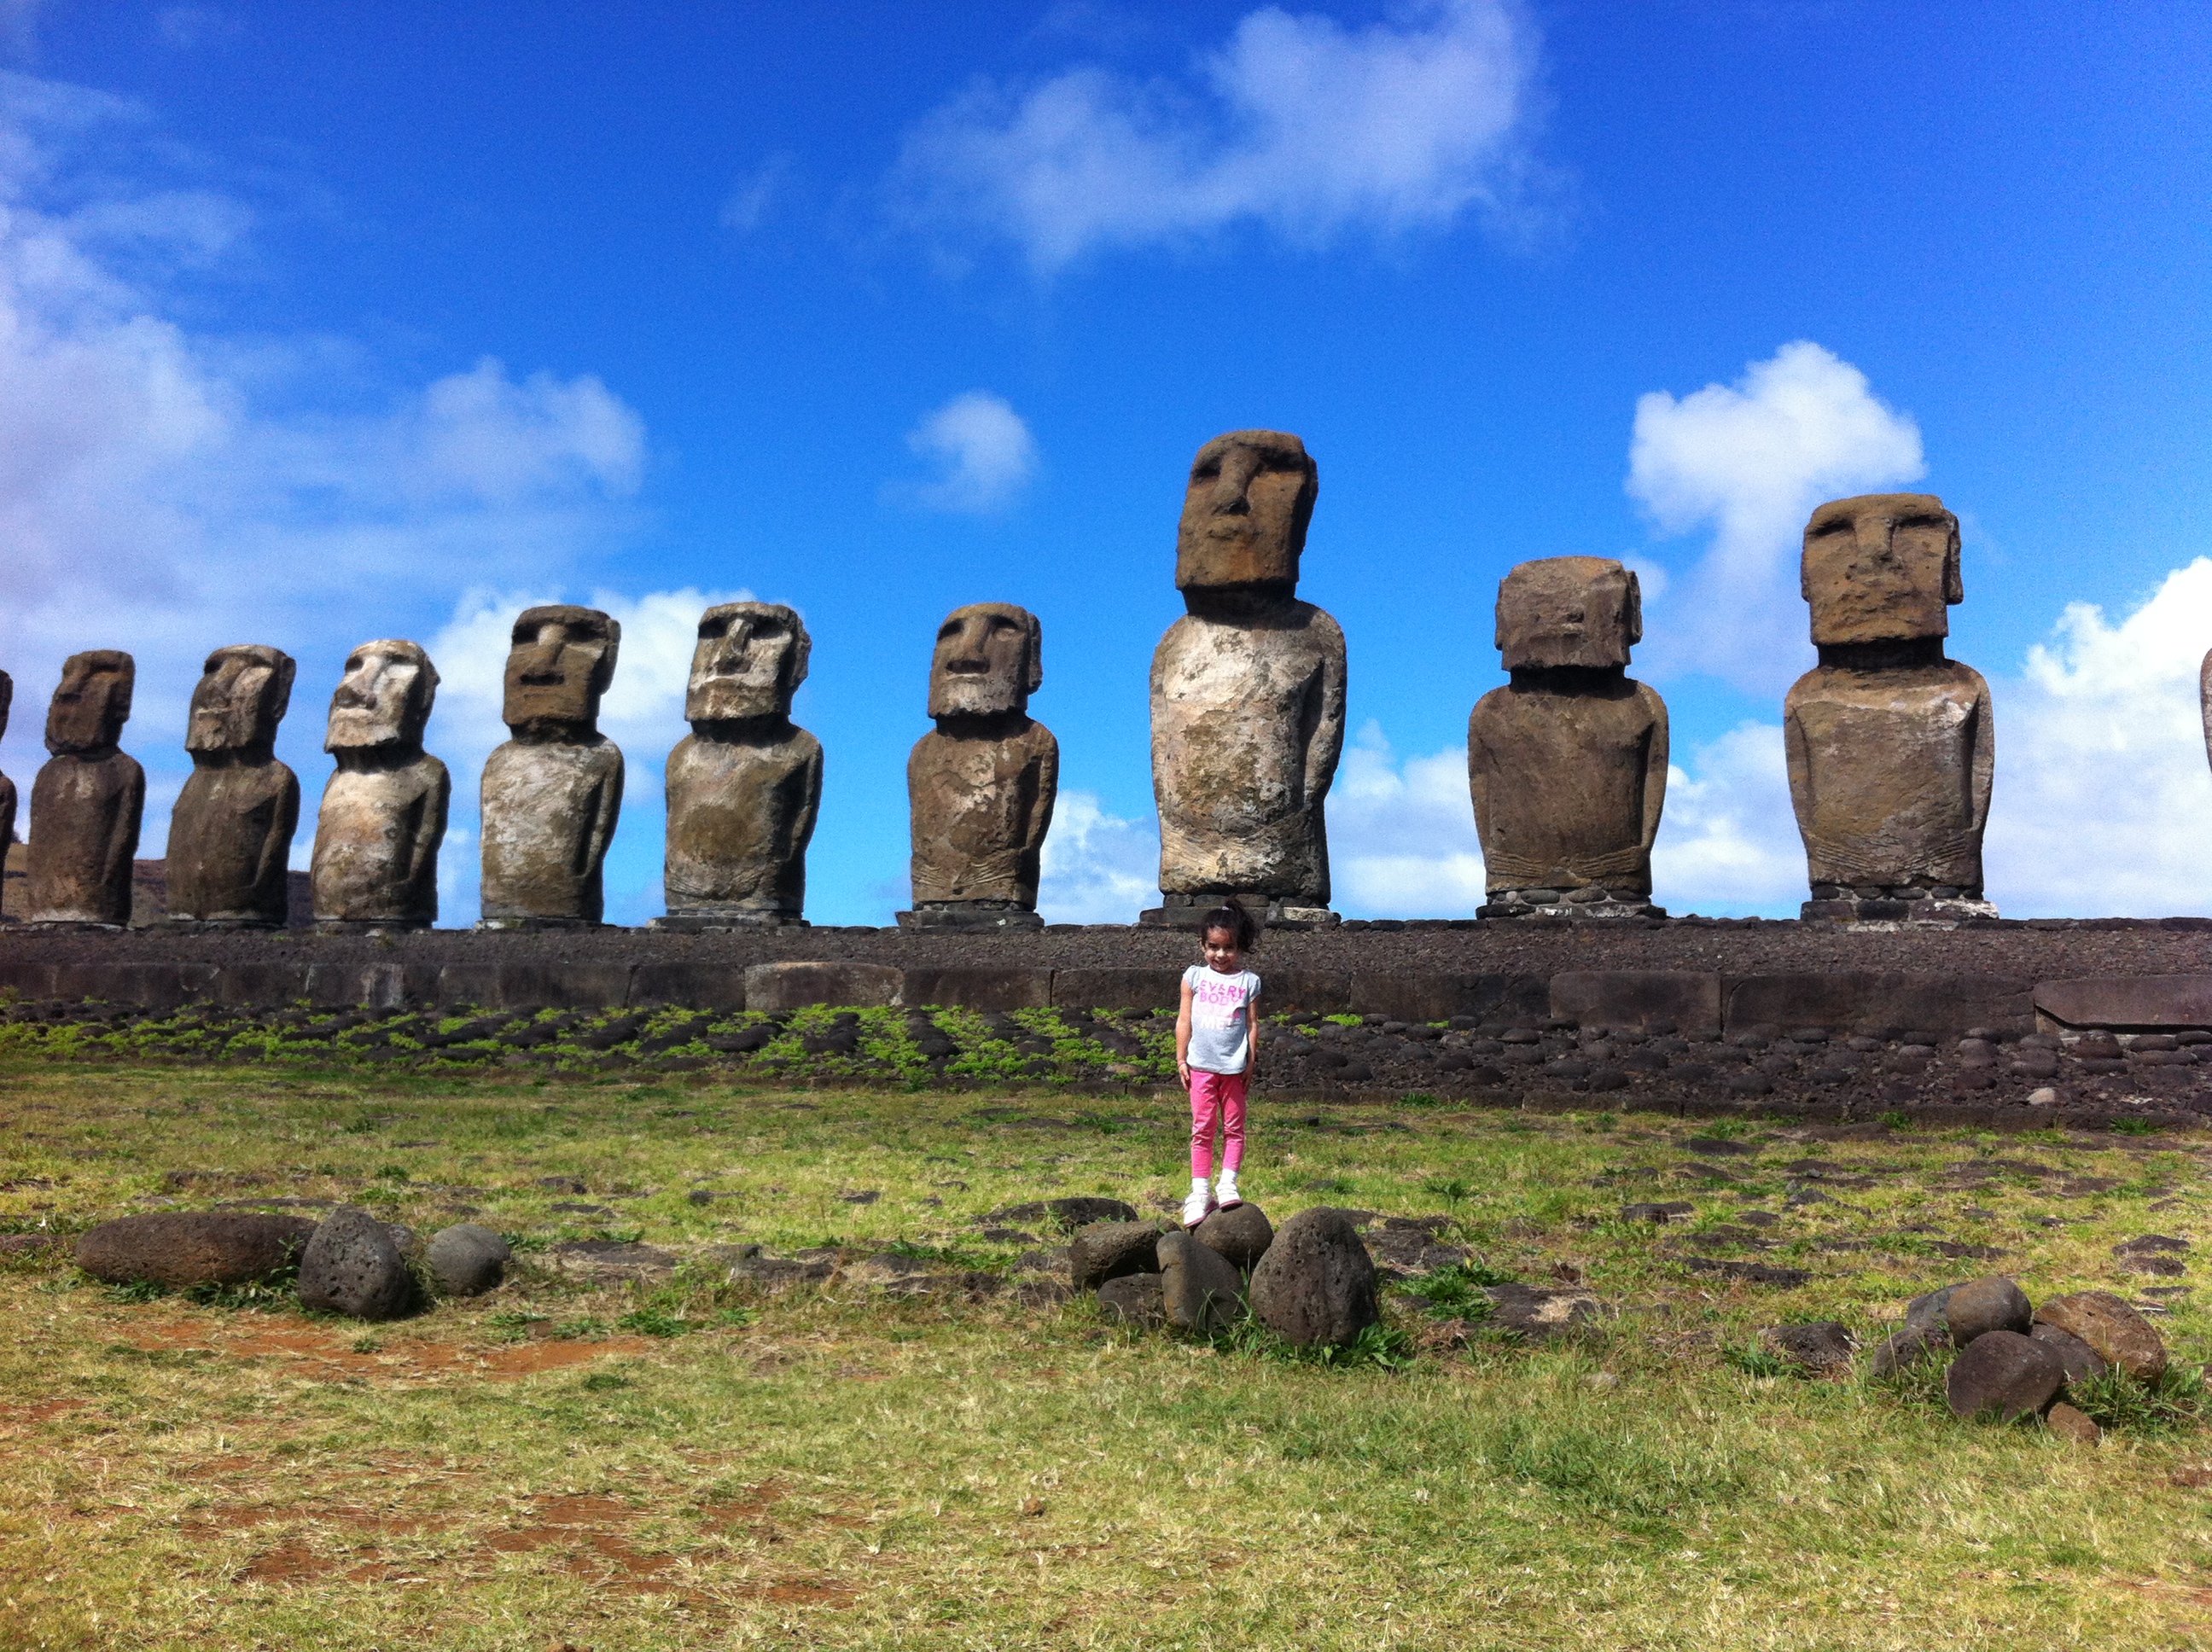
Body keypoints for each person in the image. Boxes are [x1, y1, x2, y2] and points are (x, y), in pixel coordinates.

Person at [1176, 903, 1261, 1229]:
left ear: (1239, 947)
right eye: (1213, 947)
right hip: (1200, 1067)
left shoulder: (1249, 982)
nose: (1221, 955)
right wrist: (1181, 1059)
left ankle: (1228, 1183)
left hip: (1234, 1070)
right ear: (1202, 945)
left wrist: (1251, 1061)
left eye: (1228, 947)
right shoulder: (1193, 977)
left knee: (1234, 1128)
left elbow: (1252, 1024)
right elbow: (1184, 1020)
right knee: (1203, 1129)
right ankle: (1199, 1192)